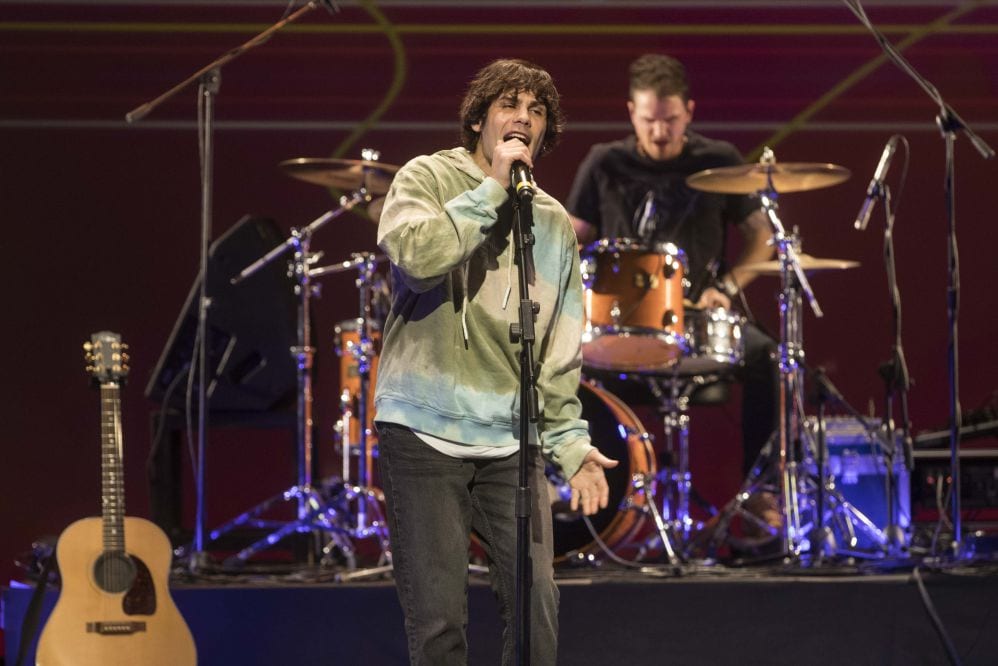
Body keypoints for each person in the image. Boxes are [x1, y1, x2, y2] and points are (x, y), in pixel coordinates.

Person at [374, 58, 617, 666]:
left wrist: (571, 445)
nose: (523, 118)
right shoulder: (427, 177)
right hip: (424, 429)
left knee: (538, 610)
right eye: (509, 105)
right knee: (439, 625)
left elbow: (558, 350)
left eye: (537, 111)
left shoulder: (551, 221)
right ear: (480, 120)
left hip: (511, 438)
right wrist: (491, 193)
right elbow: (417, 258)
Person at [566, 53, 780, 506]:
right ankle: (596, 503)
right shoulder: (604, 162)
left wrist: (727, 288)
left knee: (767, 357)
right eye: (649, 121)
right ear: (632, 113)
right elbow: (571, 236)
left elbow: (763, 237)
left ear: (689, 112)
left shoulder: (718, 160)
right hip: (617, 325)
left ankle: (761, 494)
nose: (660, 132)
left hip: (698, 319)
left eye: (670, 120)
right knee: (558, 364)